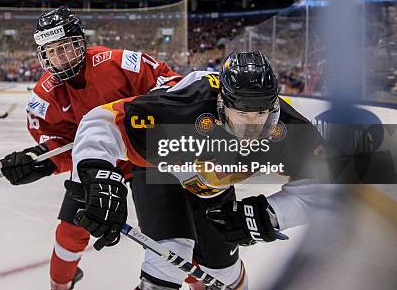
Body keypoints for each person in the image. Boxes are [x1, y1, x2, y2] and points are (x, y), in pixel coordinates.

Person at [67, 51, 327, 290]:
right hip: (161, 172)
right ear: (221, 105)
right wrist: (97, 178)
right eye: (242, 115)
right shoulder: (182, 108)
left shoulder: (291, 130)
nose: (251, 127)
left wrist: (270, 215)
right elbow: (102, 122)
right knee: (169, 258)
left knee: (225, 274)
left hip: (213, 186)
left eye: (260, 115)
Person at [0, 6, 182, 290]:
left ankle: (194, 280)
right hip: (97, 162)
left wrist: (149, 116)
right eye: (52, 52)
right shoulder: (44, 96)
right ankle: (61, 284)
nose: (60, 57)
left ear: (80, 42)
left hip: (146, 155)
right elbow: (62, 147)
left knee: (172, 236)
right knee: (70, 230)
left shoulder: (121, 63)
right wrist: (40, 160)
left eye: (65, 47)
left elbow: (175, 89)